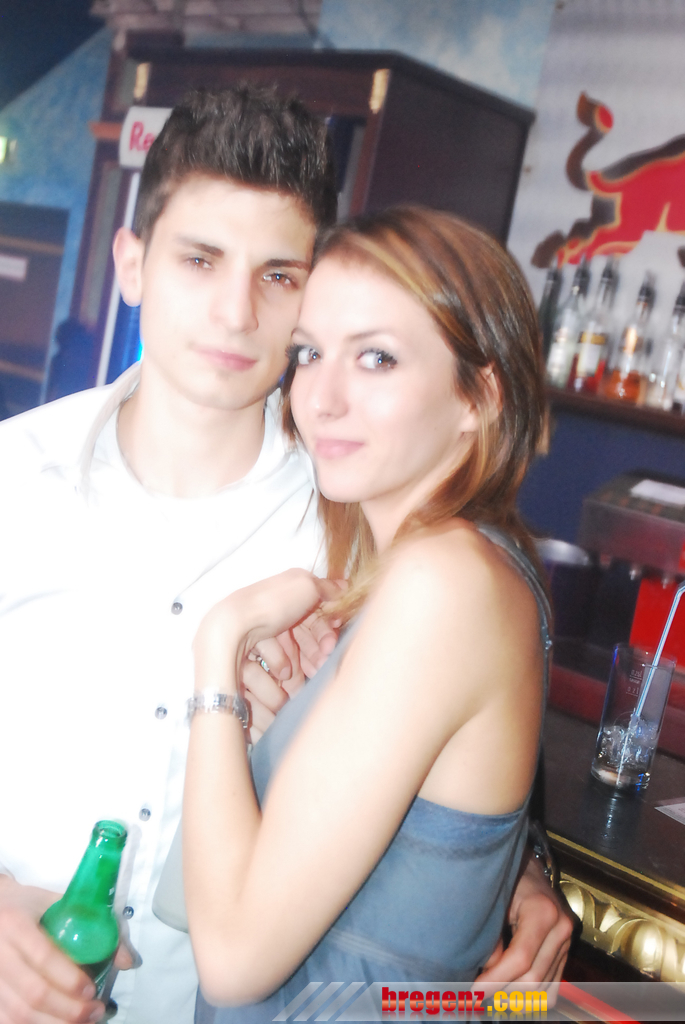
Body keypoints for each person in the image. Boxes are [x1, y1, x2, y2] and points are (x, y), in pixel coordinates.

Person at [0, 87, 571, 1024]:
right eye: (199, 259)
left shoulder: (357, 514)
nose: (235, 311)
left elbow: (461, 735)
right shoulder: (12, 480)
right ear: (131, 264)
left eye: (277, 275)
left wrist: (519, 864)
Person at [177, 206, 565, 1021]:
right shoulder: (431, 566)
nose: (320, 398)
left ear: (479, 395)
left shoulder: (444, 579)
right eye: (309, 353)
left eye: (376, 358)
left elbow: (235, 960)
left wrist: (216, 654)